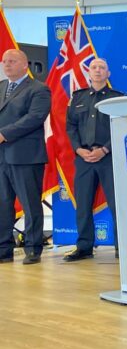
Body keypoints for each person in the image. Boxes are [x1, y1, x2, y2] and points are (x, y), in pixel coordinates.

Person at [64, 57, 123, 261]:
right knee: (83, 203)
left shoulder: (118, 98)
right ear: (89, 73)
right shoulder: (78, 97)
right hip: (83, 158)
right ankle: (84, 247)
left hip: (109, 157)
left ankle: (122, 247)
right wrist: (78, 149)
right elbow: (70, 127)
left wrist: (105, 149)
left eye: (102, 68)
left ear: (108, 74)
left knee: (118, 204)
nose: (98, 70)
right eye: (94, 67)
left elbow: (122, 127)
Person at [0, 49, 51, 265]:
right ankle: (4, 248)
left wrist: (4, 134)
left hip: (26, 155)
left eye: (12, 61)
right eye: (4, 62)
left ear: (24, 65)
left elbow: (35, 117)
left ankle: (32, 247)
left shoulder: (39, 89)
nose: (7, 65)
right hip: (2, 156)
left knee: (30, 204)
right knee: (3, 204)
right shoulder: (1, 87)